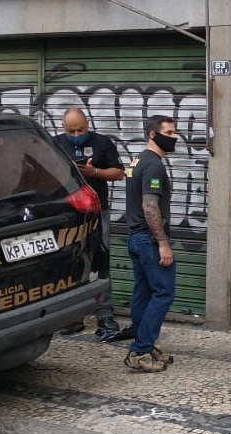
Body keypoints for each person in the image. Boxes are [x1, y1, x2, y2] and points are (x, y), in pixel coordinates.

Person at [53, 107, 126, 338]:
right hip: (68, 215)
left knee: (100, 261)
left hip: (97, 212)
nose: (76, 134)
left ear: (88, 125)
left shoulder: (102, 142)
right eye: (71, 130)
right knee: (70, 263)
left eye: (80, 129)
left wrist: (94, 171)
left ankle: (105, 314)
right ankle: (72, 316)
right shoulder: (55, 144)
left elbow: (118, 173)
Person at [123, 115, 178, 372]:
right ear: (153, 135)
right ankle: (140, 350)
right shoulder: (153, 165)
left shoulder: (138, 161)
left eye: (175, 131)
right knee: (163, 292)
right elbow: (149, 206)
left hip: (135, 237)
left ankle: (144, 344)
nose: (174, 136)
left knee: (143, 293)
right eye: (169, 132)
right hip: (148, 239)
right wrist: (163, 243)